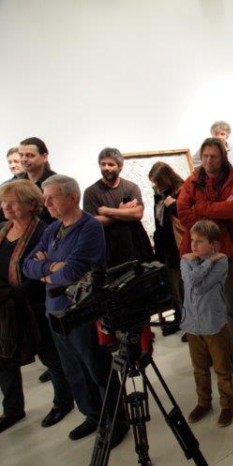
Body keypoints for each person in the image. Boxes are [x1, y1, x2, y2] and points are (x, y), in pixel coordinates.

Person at [22, 175, 128, 445]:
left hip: (83, 311)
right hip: (56, 311)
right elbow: (27, 265)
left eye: (52, 197)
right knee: (74, 370)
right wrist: (51, 268)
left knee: (97, 368)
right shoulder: (52, 230)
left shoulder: (89, 227)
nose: (46, 203)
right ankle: (93, 415)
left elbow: (73, 271)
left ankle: (116, 420)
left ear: (72, 197)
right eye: (44, 198)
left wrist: (48, 270)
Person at [0, 180, 73, 433]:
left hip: (36, 304)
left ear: (32, 204)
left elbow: (45, 270)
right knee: (4, 358)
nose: (6, 207)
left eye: (13, 202)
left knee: (51, 357)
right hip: (6, 307)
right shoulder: (3, 231)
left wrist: (15, 295)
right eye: (3, 202)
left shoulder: (45, 232)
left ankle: (63, 401)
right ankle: (12, 408)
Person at [178, 138, 233, 353]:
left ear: (222, 157)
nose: (208, 161)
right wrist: (218, 210)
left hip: (227, 250)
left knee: (229, 306)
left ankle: (225, 352)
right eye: (205, 156)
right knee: (199, 304)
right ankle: (208, 351)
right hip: (196, 253)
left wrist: (201, 207)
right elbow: (183, 213)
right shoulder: (192, 180)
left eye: (213, 156)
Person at [181, 220, 233, 427]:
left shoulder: (221, 262)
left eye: (200, 241)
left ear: (213, 244)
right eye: (192, 241)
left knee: (222, 368)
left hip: (213, 324)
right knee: (199, 368)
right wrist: (207, 262)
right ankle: (203, 402)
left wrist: (208, 261)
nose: (194, 245)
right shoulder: (186, 261)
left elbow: (199, 287)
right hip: (193, 325)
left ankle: (227, 405)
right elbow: (190, 281)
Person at [83, 147, 154, 267]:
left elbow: (137, 213)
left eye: (111, 164)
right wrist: (123, 212)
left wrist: (108, 211)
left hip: (135, 243)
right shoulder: (91, 192)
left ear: (120, 167)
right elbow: (93, 222)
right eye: (103, 164)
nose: (106, 168)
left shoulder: (131, 187)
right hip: (108, 248)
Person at [148, 162, 185, 336]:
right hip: (166, 247)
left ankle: (190, 324)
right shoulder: (159, 195)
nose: (155, 185)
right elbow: (159, 222)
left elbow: (185, 217)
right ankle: (180, 318)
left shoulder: (180, 192)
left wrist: (172, 205)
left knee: (183, 287)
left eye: (157, 181)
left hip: (178, 246)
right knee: (174, 288)